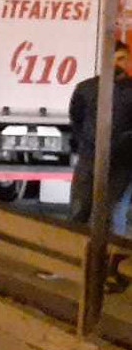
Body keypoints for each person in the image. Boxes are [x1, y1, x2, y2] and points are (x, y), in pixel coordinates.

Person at [67, 40, 132, 229]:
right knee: (80, 211)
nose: (124, 64)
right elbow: (76, 118)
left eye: (126, 59)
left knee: (112, 214)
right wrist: (86, 144)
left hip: (121, 163)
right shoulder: (86, 89)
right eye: (120, 59)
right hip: (91, 160)